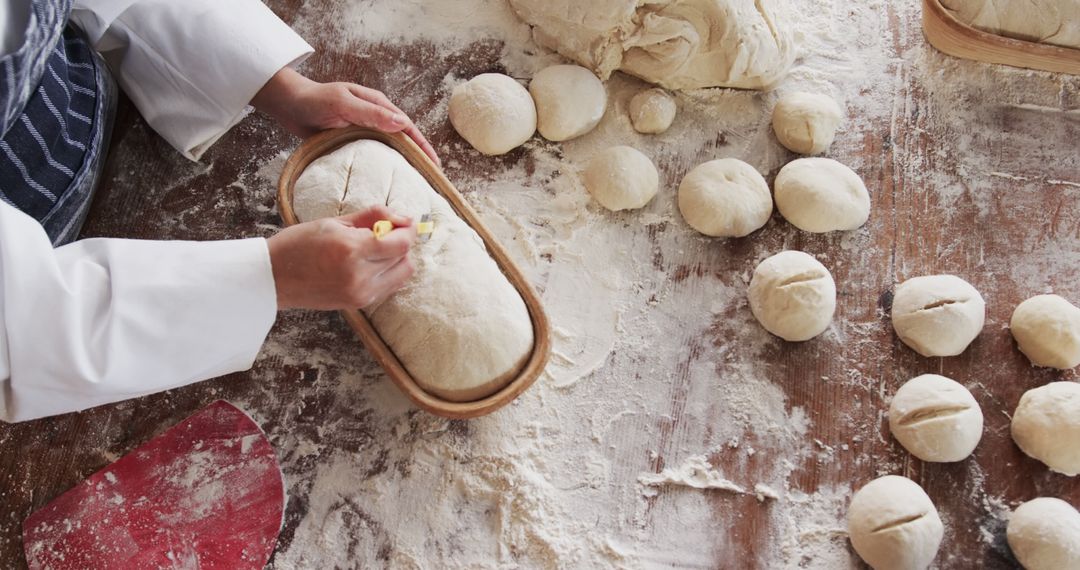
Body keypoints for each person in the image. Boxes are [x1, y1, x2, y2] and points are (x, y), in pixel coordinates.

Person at [0, 0, 439, 422]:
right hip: (43, 252)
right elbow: (20, 327)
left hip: (80, 83)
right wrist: (267, 277)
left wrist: (270, 83)